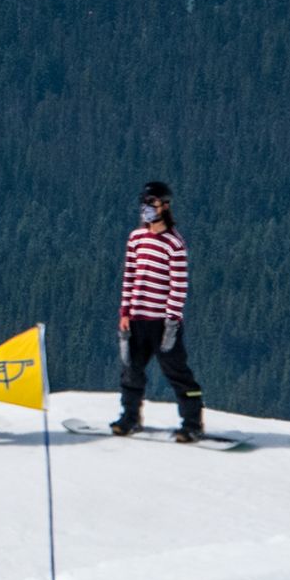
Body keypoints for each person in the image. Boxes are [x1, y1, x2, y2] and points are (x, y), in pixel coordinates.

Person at [115, 179, 204, 441]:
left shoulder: (174, 244)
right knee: (131, 371)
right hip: (136, 319)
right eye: (144, 202)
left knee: (177, 373)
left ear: (165, 206)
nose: (146, 208)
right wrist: (125, 312)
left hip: (162, 322)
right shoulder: (136, 238)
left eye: (151, 203)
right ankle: (130, 417)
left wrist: (172, 322)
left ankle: (192, 422)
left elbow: (179, 285)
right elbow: (130, 275)